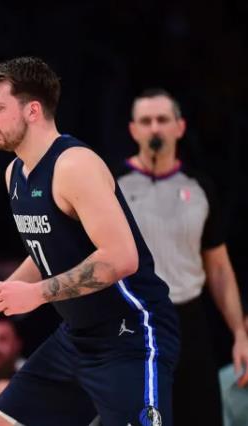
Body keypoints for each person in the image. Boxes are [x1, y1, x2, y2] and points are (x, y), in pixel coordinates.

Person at [0, 57, 180, 426]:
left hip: (130, 336)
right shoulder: (14, 173)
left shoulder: (74, 165)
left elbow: (121, 257)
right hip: (77, 338)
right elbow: (43, 254)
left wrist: (38, 294)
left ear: (32, 110)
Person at [117, 88, 248, 425]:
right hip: (134, 319)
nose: (155, 128)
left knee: (201, 415)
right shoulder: (113, 186)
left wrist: (239, 333)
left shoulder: (200, 187)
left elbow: (219, 267)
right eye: (146, 121)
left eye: (163, 119)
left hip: (189, 319)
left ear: (180, 127)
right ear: (133, 129)